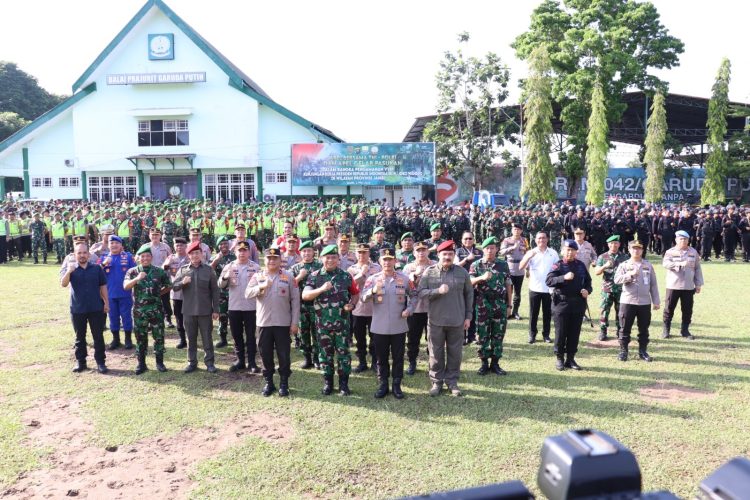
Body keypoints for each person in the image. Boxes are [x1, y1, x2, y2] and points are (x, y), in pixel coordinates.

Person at [417, 240, 473, 397]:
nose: (447, 257)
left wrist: (468, 316)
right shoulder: (429, 272)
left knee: (455, 353)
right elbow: (420, 293)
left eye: (450, 254)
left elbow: (469, 295)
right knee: (436, 352)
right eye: (444, 254)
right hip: (436, 320)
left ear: (454, 255)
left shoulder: (462, 273)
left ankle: (452, 381)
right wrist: (437, 291)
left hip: (457, 320)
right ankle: (437, 381)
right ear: (438, 255)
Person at [302, 245, 359, 396]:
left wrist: (352, 304)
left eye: (334, 257)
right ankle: (328, 383)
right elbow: (305, 296)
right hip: (322, 325)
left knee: (343, 354)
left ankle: (344, 385)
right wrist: (321, 289)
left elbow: (355, 293)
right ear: (322, 259)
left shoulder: (346, 276)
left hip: (342, 324)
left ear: (338, 260)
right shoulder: (314, 276)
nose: (330, 260)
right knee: (325, 355)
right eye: (327, 257)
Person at [245, 247, 300, 397]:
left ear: (280, 260)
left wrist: (295, 322)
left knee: (284, 354)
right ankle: (269, 382)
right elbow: (247, 293)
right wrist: (260, 287)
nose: (271, 261)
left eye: (275, 258)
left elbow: (295, 301)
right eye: (269, 258)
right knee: (265, 354)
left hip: (282, 323)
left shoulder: (289, 277)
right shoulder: (258, 276)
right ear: (265, 259)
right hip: (264, 323)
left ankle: (284, 383)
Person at [362, 248, 416, 399]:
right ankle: (383, 384)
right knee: (381, 357)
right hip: (379, 326)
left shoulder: (404, 279)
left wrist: (409, 309)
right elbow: (362, 298)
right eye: (384, 259)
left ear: (395, 261)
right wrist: (371, 291)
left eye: (390, 259)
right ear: (380, 261)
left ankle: (397, 385)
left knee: (398, 357)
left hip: (399, 325)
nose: (387, 262)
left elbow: (414, 295)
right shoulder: (372, 279)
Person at [60, 242, 109, 374]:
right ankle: (81, 362)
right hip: (78, 309)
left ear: (88, 254)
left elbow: (103, 286)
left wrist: (106, 303)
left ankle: (101, 362)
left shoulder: (97, 268)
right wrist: (69, 272)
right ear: (75, 255)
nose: (82, 255)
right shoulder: (72, 269)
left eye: (84, 252)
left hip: (96, 307)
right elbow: (63, 284)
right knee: (79, 337)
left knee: (98, 336)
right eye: (79, 253)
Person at [172, 240, 221, 373]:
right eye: (192, 254)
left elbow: (215, 291)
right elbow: (174, 287)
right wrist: (182, 282)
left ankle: (209, 363)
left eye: (197, 253)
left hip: (205, 311)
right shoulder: (183, 270)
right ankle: (192, 362)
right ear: (189, 256)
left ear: (201, 254)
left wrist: (216, 309)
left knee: (207, 338)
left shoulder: (209, 270)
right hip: (188, 311)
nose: (195, 256)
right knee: (191, 338)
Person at [123, 244, 172, 374]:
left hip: (156, 310)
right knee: (140, 337)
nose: (145, 258)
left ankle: (159, 362)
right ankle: (141, 363)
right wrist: (137, 279)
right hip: (140, 311)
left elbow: (168, 286)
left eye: (148, 256)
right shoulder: (132, 271)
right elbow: (126, 286)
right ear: (138, 258)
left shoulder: (159, 271)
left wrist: (157, 294)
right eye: (142, 256)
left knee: (159, 336)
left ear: (151, 257)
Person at [545, 240, 593, 371]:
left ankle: (570, 359)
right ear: (562, 251)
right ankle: (559, 358)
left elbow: (588, 283)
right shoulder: (558, 266)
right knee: (561, 332)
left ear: (576, 252)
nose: (570, 252)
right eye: (567, 250)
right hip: (561, 303)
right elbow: (549, 281)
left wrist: (587, 290)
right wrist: (563, 277)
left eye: (572, 250)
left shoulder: (581, 265)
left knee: (574, 332)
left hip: (578, 304)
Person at [469, 236, 513, 376]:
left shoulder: (503, 264)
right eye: (487, 248)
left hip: (500, 304)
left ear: (496, 249)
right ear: (483, 249)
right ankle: (483, 363)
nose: (489, 250)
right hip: (482, 305)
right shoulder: (476, 265)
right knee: (482, 335)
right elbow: (469, 283)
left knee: (498, 335)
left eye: (492, 248)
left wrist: (509, 305)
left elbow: (508, 285)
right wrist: (481, 278)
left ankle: (495, 363)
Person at [613, 240, 660, 362]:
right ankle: (623, 351)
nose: (636, 250)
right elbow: (617, 279)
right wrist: (630, 275)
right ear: (629, 250)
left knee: (644, 328)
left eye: (639, 248)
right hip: (628, 301)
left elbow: (653, 284)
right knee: (624, 328)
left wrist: (656, 301)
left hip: (644, 302)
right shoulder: (624, 265)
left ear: (642, 250)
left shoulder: (648, 265)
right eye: (634, 248)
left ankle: (643, 351)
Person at [219, 240, 261, 372]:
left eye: (245, 250)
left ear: (249, 252)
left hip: (251, 307)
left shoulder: (255, 267)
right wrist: (225, 277)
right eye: (239, 250)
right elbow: (220, 285)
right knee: (237, 335)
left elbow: (261, 286)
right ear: (235, 252)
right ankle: (240, 360)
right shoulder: (229, 266)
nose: (242, 253)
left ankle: (252, 362)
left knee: (251, 336)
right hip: (234, 307)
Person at [662, 230, 704, 340]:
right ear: (676, 240)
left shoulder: (693, 252)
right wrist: (679, 264)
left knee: (687, 309)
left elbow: (697, 268)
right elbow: (665, 264)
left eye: (685, 239)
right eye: (681, 239)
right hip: (673, 285)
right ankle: (666, 330)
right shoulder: (670, 252)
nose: (683, 241)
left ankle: (685, 330)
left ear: (688, 240)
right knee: (669, 308)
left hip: (688, 286)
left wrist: (698, 283)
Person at [519, 232, 559, 344]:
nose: (541, 240)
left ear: (548, 239)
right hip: (534, 288)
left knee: (547, 313)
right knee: (533, 314)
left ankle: (546, 335)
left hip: (549, 289)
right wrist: (527, 257)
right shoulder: (531, 252)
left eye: (544, 238)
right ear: (535, 240)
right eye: (539, 238)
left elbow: (557, 269)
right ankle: (532, 335)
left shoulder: (553, 253)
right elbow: (521, 267)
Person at [348, 243, 381, 372]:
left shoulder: (377, 268)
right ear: (356, 254)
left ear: (369, 253)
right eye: (359, 252)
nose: (362, 255)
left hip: (374, 308)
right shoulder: (351, 269)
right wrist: (362, 273)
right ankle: (362, 362)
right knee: (359, 338)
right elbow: (350, 285)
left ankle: (374, 362)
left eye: (365, 252)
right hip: (358, 309)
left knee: (375, 337)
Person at [402, 241, 434, 375]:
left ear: (428, 251)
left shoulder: (434, 265)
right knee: (413, 338)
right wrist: (413, 277)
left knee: (432, 338)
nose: (421, 253)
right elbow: (403, 287)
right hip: (414, 309)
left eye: (424, 250)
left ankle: (433, 363)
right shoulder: (408, 267)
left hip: (432, 308)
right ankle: (412, 362)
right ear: (414, 253)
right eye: (418, 250)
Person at [98, 235, 136, 350]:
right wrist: (104, 263)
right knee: (112, 317)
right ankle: (116, 339)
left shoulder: (128, 257)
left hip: (125, 293)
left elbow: (136, 271)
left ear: (121, 245)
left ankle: (128, 339)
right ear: (108, 245)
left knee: (126, 316)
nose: (114, 245)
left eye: (116, 243)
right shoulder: (103, 258)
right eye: (111, 243)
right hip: (109, 294)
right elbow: (95, 272)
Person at [290, 240, 322, 369]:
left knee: (317, 332)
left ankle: (317, 359)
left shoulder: (320, 266)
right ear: (300, 253)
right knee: (303, 332)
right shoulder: (295, 268)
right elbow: (289, 286)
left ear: (314, 252)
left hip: (317, 305)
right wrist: (299, 277)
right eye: (304, 251)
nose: (307, 253)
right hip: (301, 306)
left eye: (309, 250)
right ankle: (307, 358)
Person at [593, 235, 628, 341]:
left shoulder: (625, 257)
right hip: (607, 289)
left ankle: (620, 330)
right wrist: (605, 266)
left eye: (616, 243)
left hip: (621, 289)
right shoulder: (602, 257)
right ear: (608, 244)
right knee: (604, 310)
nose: (614, 245)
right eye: (611, 243)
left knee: (621, 311)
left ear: (619, 244)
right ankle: (603, 331)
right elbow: (597, 272)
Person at [210, 236, 236, 348]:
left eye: (225, 243)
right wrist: (216, 259)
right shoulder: (214, 257)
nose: (224, 246)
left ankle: (236, 338)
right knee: (222, 316)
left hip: (233, 291)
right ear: (218, 246)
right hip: (220, 292)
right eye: (221, 244)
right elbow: (208, 270)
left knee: (235, 316)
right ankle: (223, 339)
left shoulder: (234, 256)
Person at [164, 237, 190, 349]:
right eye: (177, 245)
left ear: (186, 246)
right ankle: (182, 339)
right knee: (178, 317)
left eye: (181, 245)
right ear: (174, 247)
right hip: (176, 293)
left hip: (190, 293)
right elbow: (162, 272)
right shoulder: (171, 258)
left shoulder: (190, 257)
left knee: (189, 318)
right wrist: (166, 265)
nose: (179, 247)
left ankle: (191, 338)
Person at [499, 223, 527, 320]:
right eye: (514, 229)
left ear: (521, 231)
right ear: (512, 230)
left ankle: (515, 312)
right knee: (507, 291)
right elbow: (501, 252)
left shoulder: (524, 240)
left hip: (520, 268)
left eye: (518, 229)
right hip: (509, 268)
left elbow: (527, 253)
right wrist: (512, 247)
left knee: (517, 292)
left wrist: (524, 250)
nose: (516, 231)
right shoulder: (507, 240)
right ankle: (506, 311)